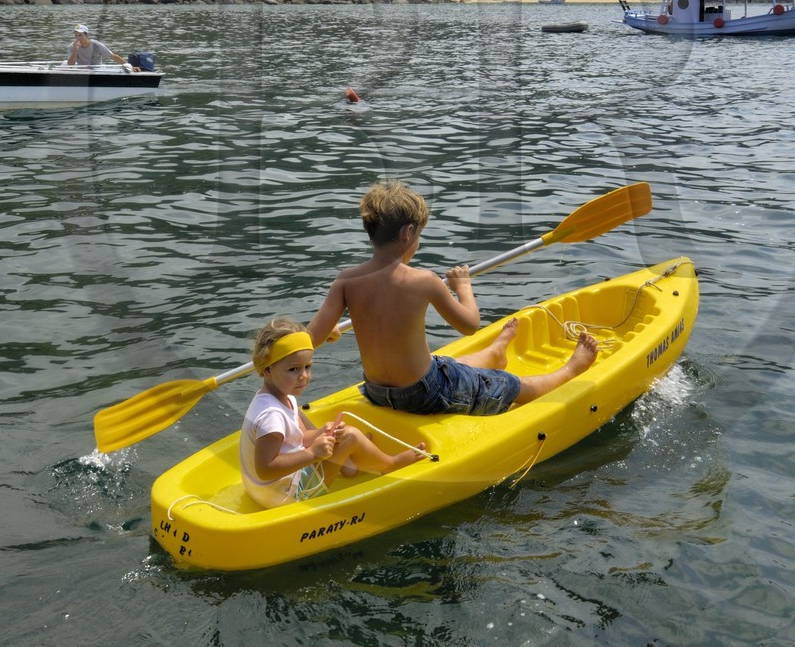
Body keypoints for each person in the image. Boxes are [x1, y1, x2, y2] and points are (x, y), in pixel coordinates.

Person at [305, 180, 597, 417]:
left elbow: (309, 340)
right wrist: (463, 286)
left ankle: (494, 355)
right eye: (419, 234)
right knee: (506, 385)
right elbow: (470, 325)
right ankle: (572, 369)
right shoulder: (424, 281)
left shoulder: (346, 281)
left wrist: (328, 331)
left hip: (377, 391)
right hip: (425, 394)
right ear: (408, 233)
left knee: (444, 364)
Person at [240, 318, 426, 508]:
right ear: (268, 369)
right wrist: (313, 454)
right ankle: (390, 465)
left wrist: (322, 433)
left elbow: (302, 438)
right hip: (284, 497)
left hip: (269, 490)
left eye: (307, 367)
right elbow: (265, 469)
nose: (303, 375)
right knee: (351, 437)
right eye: (293, 369)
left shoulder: (280, 397)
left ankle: (350, 466)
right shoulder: (271, 416)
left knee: (338, 435)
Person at [66, 23, 133, 70]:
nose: (78, 38)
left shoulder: (96, 45)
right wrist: (75, 51)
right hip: (81, 71)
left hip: (96, 70)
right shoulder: (72, 46)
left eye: (80, 35)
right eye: (76, 35)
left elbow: (113, 56)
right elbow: (70, 65)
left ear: (86, 35)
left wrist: (130, 66)